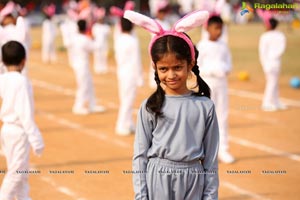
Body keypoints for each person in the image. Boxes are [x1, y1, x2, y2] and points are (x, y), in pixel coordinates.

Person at [124, 10, 219, 199]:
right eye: (163, 69)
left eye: (177, 67)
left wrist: (210, 195)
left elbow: (211, 159)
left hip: (194, 179)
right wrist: (141, 196)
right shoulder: (150, 106)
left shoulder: (205, 106)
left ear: (190, 64)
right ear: (155, 67)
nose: (171, 75)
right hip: (158, 178)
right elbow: (140, 156)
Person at [0, 41, 44, 200]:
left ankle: (23, 197)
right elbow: (25, 114)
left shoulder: (3, 79)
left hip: (6, 130)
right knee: (16, 172)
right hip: (19, 132)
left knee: (20, 170)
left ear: (3, 61)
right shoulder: (21, 81)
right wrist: (36, 139)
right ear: (24, 60)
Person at [197, 15, 234, 164]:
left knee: (222, 115)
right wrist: (213, 70)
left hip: (222, 84)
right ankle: (204, 151)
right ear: (208, 28)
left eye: (221, 29)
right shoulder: (202, 45)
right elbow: (197, 66)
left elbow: (229, 65)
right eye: (216, 28)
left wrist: (222, 69)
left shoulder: (223, 45)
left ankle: (223, 149)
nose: (218, 32)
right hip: (208, 84)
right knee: (206, 117)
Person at [114, 17, 143, 136]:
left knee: (125, 98)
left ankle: (129, 123)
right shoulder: (132, 40)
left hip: (121, 71)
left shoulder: (119, 39)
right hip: (130, 73)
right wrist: (140, 77)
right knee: (128, 99)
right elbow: (137, 60)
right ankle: (121, 125)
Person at [70, 19, 105, 115]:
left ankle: (92, 104)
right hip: (82, 65)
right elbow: (96, 47)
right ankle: (78, 106)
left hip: (78, 63)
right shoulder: (84, 39)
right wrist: (98, 36)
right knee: (83, 86)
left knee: (89, 85)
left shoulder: (75, 38)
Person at [259, 18, 286, 111]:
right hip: (272, 62)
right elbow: (281, 49)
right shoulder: (280, 35)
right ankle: (266, 103)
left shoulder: (267, 36)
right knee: (272, 82)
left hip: (271, 62)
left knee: (273, 82)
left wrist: (265, 63)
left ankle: (275, 101)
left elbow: (262, 52)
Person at [91, 8, 110, 74]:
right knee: (97, 56)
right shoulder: (95, 26)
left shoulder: (106, 27)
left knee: (103, 56)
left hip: (104, 44)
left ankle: (103, 68)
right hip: (97, 44)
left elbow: (107, 36)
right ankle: (97, 68)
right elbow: (93, 36)